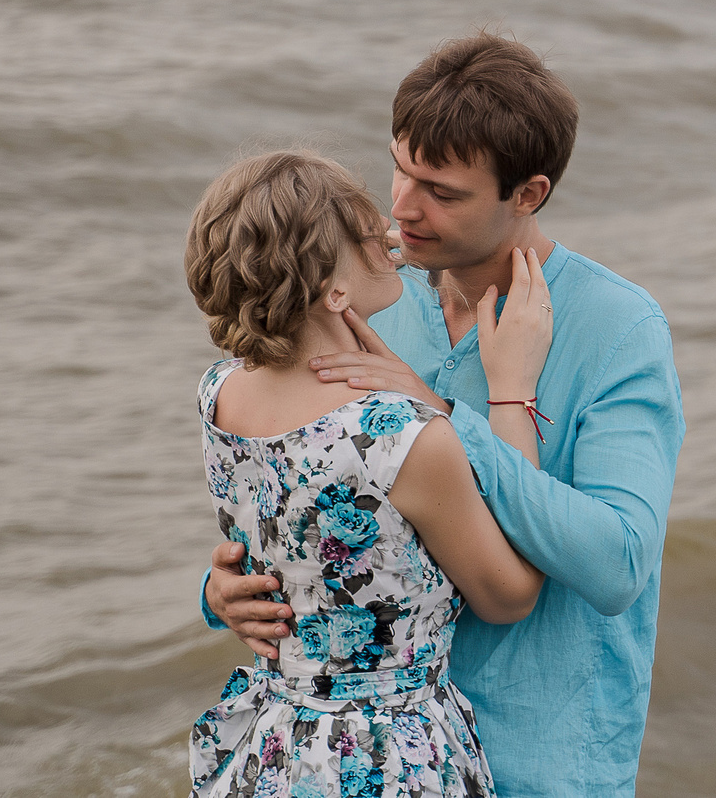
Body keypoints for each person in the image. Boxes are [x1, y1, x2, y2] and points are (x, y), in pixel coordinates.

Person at [204, 33, 685, 798]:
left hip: (542, 763)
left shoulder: (617, 328)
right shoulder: (370, 297)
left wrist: (452, 414)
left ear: (527, 193)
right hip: (370, 763)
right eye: (400, 167)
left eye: (443, 191)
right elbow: (296, 483)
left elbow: (619, 564)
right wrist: (222, 590)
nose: (401, 207)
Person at [183, 148, 557, 798]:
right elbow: (509, 596)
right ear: (334, 292)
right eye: (365, 231)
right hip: (384, 758)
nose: (389, 230)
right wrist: (510, 392)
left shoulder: (219, 393)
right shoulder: (400, 439)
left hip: (272, 744)